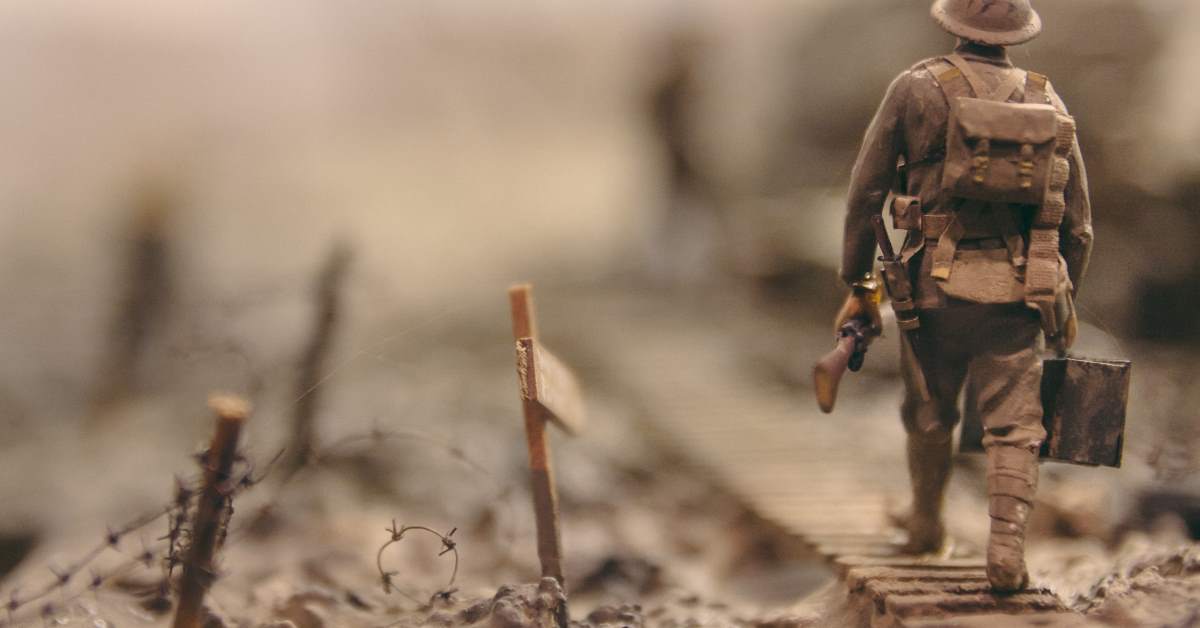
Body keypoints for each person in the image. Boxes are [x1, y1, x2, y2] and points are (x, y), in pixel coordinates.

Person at [834, 0, 1093, 591]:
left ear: (951, 23)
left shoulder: (915, 87)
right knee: (1016, 426)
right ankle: (1006, 550)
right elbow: (1078, 223)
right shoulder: (1047, 99)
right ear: (1016, 34)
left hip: (932, 287)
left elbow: (863, 192)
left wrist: (858, 279)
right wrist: (1060, 292)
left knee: (928, 410)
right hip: (1018, 289)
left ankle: (926, 526)